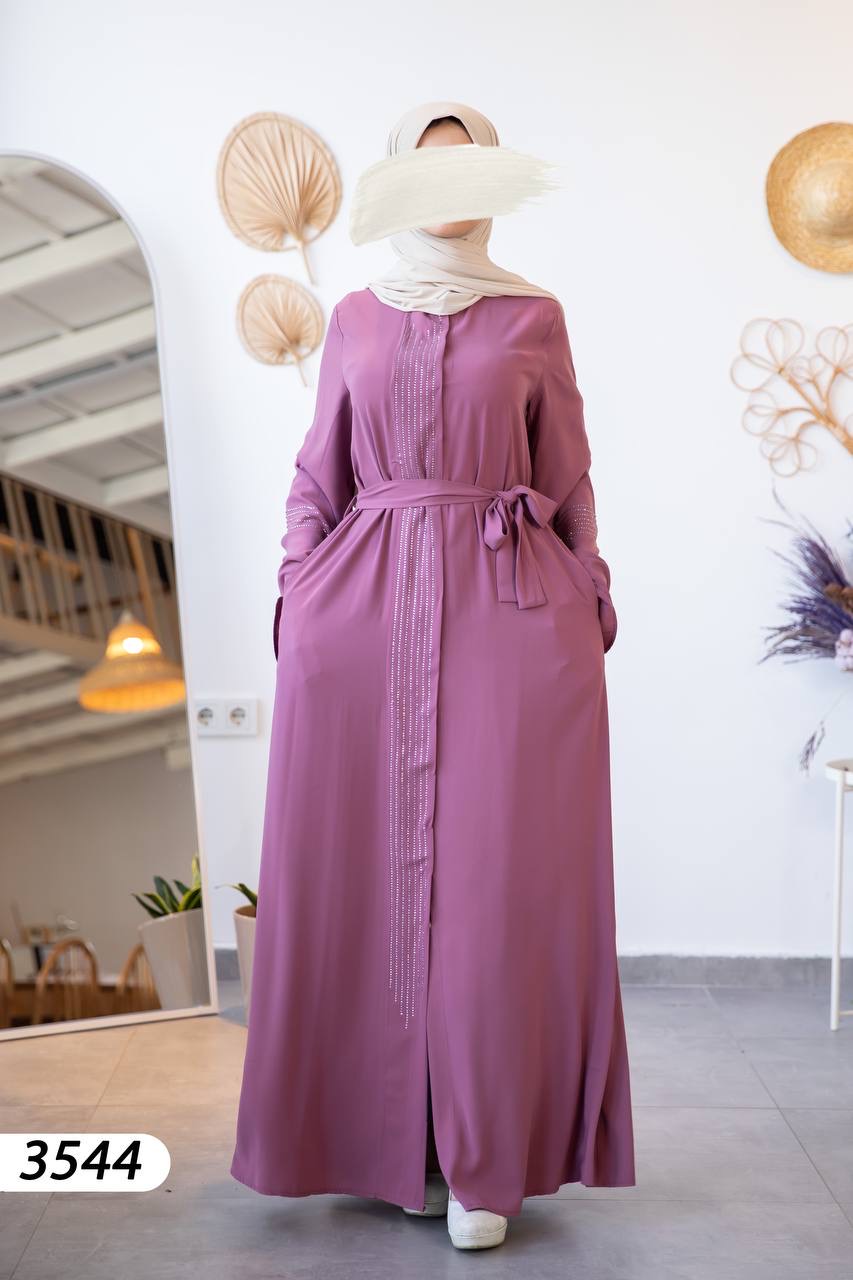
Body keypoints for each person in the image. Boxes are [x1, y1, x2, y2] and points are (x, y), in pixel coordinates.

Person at [230, 99, 635, 1253]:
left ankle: (482, 1156)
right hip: (359, 619)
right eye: (430, 167)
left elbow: (569, 478)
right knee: (365, 880)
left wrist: (587, 597)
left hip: (509, 612)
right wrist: (300, 593)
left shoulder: (533, 315)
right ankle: (387, 1144)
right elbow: (318, 477)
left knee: (494, 892)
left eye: (472, 167)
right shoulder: (354, 316)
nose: (452, 188)